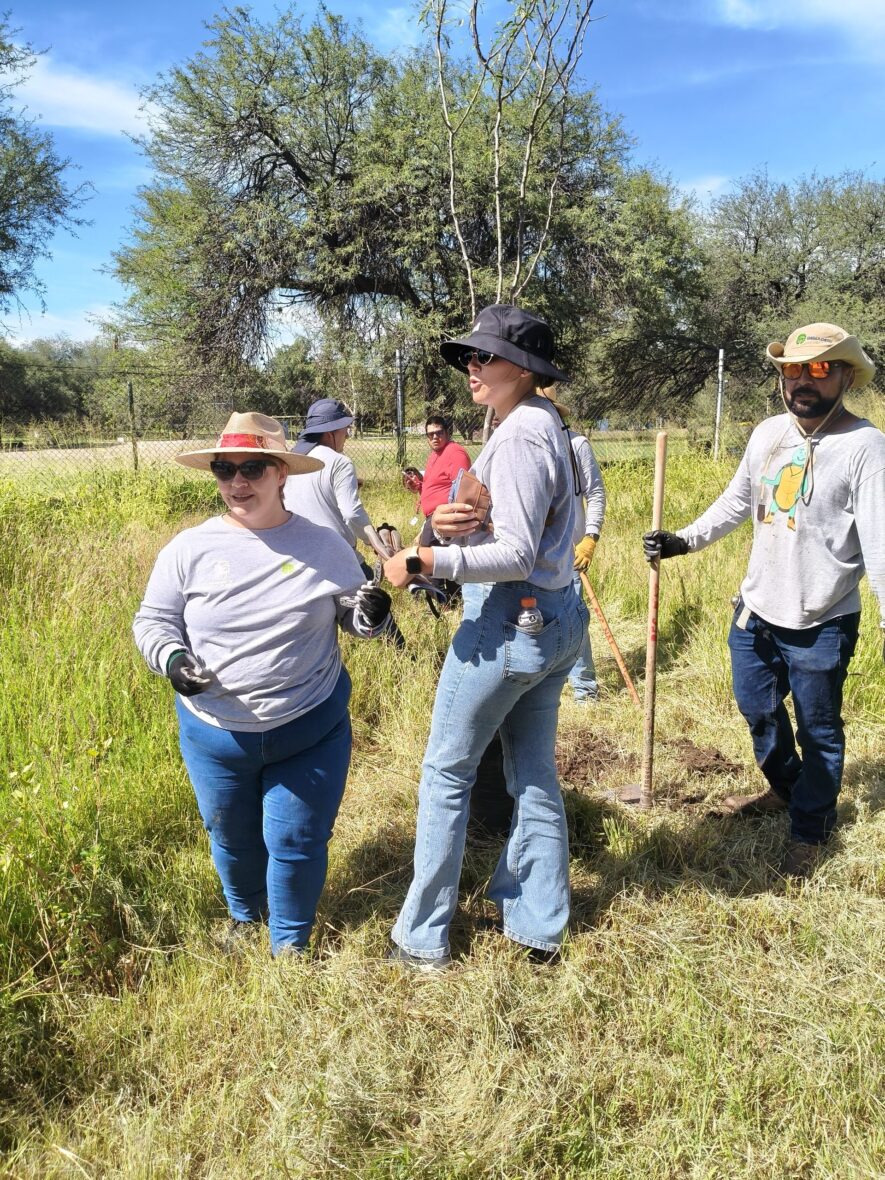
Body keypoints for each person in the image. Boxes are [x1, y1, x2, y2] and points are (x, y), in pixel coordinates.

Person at [133, 412, 393, 956]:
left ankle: (290, 948)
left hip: (310, 725)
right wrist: (174, 661)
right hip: (216, 734)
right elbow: (153, 621)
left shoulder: (324, 545)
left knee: (296, 841)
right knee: (230, 836)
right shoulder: (190, 548)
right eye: (224, 470)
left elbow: (354, 617)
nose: (237, 482)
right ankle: (245, 916)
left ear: (282, 473)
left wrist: (368, 613)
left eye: (252, 467)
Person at [383, 304, 586, 969]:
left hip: (508, 618)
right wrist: (450, 524)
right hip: (551, 619)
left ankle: (421, 938)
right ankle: (537, 923)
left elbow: (519, 555)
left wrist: (423, 562)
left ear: (521, 368)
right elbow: (509, 529)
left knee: (446, 772)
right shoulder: (533, 423)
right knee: (530, 772)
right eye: (469, 357)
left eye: (483, 357)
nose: (471, 368)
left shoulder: (524, 432)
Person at [643, 323, 885, 877]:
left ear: (847, 375)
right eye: (793, 369)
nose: (802, 380)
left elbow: (880, 541)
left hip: (822, 620)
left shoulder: (865, 447)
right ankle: (787, 787)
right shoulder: (768, 434)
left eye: (820, 368)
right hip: (756, 612)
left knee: (818, 729)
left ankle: (811, 827)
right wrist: (682, 540)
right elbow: (735, 503)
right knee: (757, 711)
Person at [287, 397, 406, 647]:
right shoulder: (340, 462)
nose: (347, 436)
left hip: (298, 552)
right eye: (345, 430)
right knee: (375, 609)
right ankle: (401, 652)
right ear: (331, 433)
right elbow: (352, 513)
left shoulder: (293, 461)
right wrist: (379, 547)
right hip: (338, 553)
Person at [567, 426, 606, 702]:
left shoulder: (576, 445)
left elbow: (595, 493)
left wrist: (590, 537)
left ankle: (584, 688)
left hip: (570, 555)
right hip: (529, 555)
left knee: (574, 620)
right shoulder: (520, 439)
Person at [403, 416, 471, 546]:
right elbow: (436, 486)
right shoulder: (435, 454)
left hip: (444, 517)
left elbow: (462, 490)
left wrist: (449, 522)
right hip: (433, 518)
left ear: (447, 432)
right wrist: (418, 486)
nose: (434, 437)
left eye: (439, 433)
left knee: (426, 560)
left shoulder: (455, 453)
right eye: (430, 434)